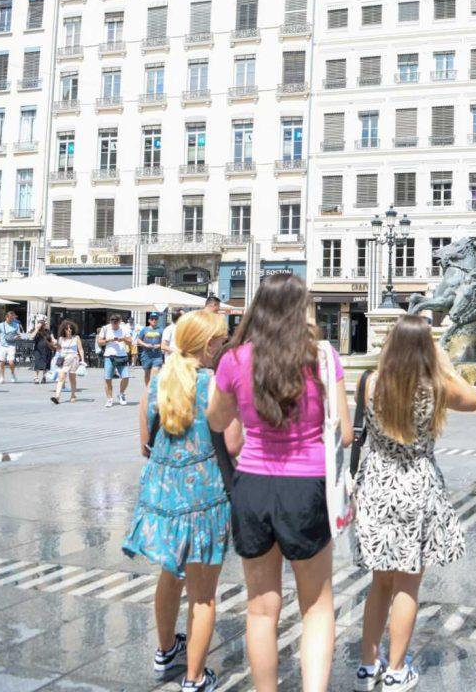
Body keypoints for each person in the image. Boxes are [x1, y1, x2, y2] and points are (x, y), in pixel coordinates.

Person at [207, 274, 352, 692]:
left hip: (252, 486)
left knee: (260, 609)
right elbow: (343, 433)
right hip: (306, 489)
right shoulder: (322, 358)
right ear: (300, 309)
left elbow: (216, 420)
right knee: (317, 607)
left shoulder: (234, 359)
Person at [353, 316, 476, 692]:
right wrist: (442, 360)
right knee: (407, 585)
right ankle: (395, 670)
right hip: (416, 489)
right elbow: (474, 400)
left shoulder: (370, 384)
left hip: (377, 486)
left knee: (379, 581)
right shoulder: (435, 388)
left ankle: (366, 663)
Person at [123, 310, 239, 692]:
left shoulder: (158, 382)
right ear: (208, 345)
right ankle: (194, 677)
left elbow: (145, 444)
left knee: (170, 576)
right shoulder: (214, 385)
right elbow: (234, 444)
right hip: (205, 499)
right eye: (221, 340)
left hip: (163, 497)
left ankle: (166, 649)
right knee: (203, 596)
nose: (223, 345)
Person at [98, 313, 133, 408]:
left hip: (122, 355)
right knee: (108, 378)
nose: (114, 325)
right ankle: (109, 399)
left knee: (126, 377)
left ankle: (121, 394)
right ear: (110, 322)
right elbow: (99, 342)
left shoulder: (124, 328)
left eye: (116, 324)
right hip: (109, 356)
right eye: (113, 323)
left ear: (119, 322)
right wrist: (108, 340)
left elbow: (130, 341)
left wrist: (123, 339)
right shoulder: (105, 328)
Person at [52, 320, 84, 404]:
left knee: (72, 377)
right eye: (67, 328)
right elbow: (59, 350)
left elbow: (80, 349)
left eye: (70, 328)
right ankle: (57, 396)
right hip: (64, 359)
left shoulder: (76, 338)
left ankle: (73, 395)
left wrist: (82, 360)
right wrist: (55, 345)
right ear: (64, 330)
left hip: (74, 359)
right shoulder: (61, 339)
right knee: (61, 376)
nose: (69, 330)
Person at [0, 310, 23, 384]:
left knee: (11, 362)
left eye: (13, 318)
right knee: (1, 362)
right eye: (10, 318)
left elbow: (19, 335)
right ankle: (1, 378)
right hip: (2, 345)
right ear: (6, 317)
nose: (12, 319)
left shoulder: (16, 325)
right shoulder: (1, 325)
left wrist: (17, 337)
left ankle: (13, 374)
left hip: (11, 345)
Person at [137, 313, 166, 385]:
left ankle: (154, 389)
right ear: (149, 320)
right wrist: (145, 344)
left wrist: (159, 345)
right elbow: (139, 340)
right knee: (147, 373)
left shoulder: (161, 330)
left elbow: (164, 342)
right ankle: (148, 389)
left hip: (157, 355)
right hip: (146, 355)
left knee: (155, 372)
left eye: (156, 319)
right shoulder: (144, 329)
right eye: (152, 319)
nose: (154, 320)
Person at [30, 317, 56, 384]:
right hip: (38, 350)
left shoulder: (49, 331)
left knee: (46, 363)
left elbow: (52, 338)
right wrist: (37, 329)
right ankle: (36, 377)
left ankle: (44, 377)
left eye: (44, 324)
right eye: (42, 324)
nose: (44, 325)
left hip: (48, 350)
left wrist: (55, 342)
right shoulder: (36, 331)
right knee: (37, 363)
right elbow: (31, 337)